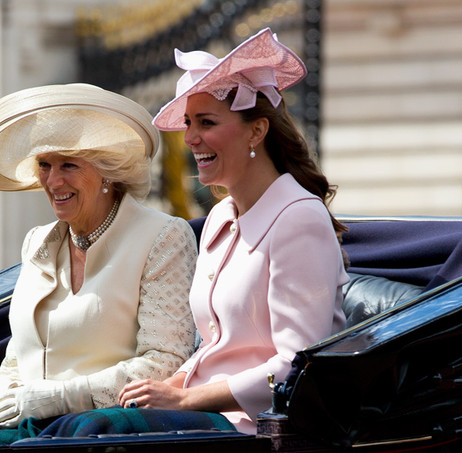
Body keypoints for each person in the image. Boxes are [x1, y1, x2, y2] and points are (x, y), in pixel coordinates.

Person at [0, 84, 215, 447]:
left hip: (104, 429)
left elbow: (165, 363)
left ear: (107, 173)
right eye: (44, 165)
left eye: (68, 165)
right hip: (27, 427)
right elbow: (19, 352)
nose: (52, 181)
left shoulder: (163, 236)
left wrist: (55, 398)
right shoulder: (38, 241)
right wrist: (2, 395)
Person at [116, 28, 349, 434]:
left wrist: (184, 398)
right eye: (188, 123)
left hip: (259, 427)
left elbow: (298, 365)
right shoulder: (221, 217)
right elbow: (216, 345)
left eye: (206, 122)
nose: (190, 138)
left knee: (99, 432)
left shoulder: (299, 218)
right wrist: (171, 383)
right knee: (82, 427)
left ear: (256, 131)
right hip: (206, 419)